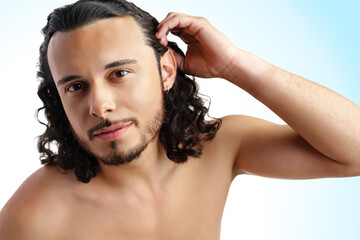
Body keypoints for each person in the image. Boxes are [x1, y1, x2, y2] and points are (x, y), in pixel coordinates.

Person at [0, 0, 359, 239]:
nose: (99, 106)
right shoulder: (34, 216)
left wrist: (235, 65)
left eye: (119, 74)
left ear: (166, 70)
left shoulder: (220, 148)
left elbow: (353, 153)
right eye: (76, 86)